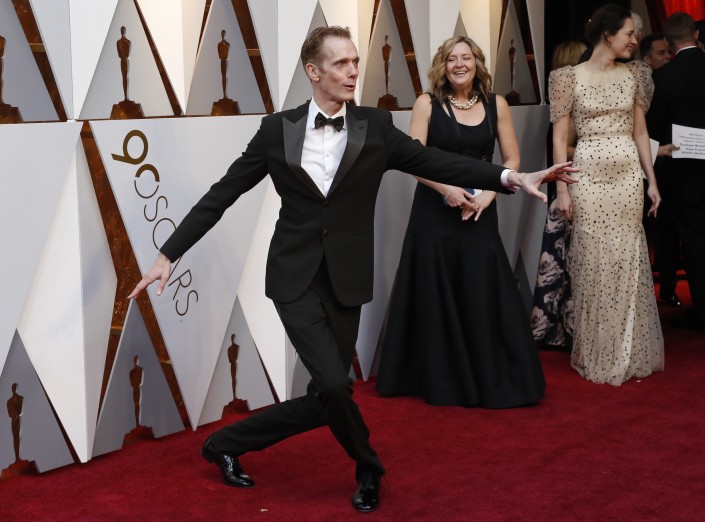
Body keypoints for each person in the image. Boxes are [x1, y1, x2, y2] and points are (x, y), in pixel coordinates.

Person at [127, 26, 578, 513]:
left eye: (355, 62)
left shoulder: (375, 126)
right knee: (336, 386)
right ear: (313, 71)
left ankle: (225, 444)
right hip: (294, 278)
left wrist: (509, 177)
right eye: (341, 63)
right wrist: (167, 254)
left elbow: (434, 161)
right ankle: (369, 469)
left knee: (327, 395)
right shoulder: (277, 131)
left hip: (346, 278)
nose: (352, 72)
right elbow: (223, 194)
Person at [376, 36, 544, 408]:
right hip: (435, 211)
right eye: (451, 59)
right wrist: (447, 191)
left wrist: (489, 193)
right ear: (442, 65)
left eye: (466, 58)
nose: (459, 65)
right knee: (436, 289)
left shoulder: (497, 104)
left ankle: (486, 376)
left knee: (480, 286)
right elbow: (411, 157)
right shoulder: (427, 103)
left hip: (481, 208)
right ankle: (441, 379)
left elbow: (512, 159)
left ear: (477, 62)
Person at [551, 4, 664, 385]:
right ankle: (598, 349)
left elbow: (640, 133)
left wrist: (651, 181)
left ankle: (627, 349)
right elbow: (559, 139)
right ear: (607, 34)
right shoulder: (568, 77)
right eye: (629, 33)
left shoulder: (635, 74)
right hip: (587, 176)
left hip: (628, 176)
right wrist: (562, 188)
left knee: (628, 258)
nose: (635, 40)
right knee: (593, 259)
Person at [648, 12, 705, 331]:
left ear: (669, 43)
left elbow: (654, 129)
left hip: (683, 169)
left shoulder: (663, 78)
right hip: (689, 167)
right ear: (696, 34)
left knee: (694, 237)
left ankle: (702, 308)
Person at [531, 40, 586, 350]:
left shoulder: (564, 102)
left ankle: (560, 328)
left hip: (568, 186)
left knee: (563, 263)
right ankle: (568, 329)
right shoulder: (571, 103)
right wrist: (597, 147)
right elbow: (562, 146)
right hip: (572, 187)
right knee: (568, 263)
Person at [640, 33, 681, 307]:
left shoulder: (671, 82)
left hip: (668, 168)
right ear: (646, 59)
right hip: (640, 169)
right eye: (661, 53)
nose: (668, 57)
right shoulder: (641, 88)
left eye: (669, 52)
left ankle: (667, 284)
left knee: (668, 229)